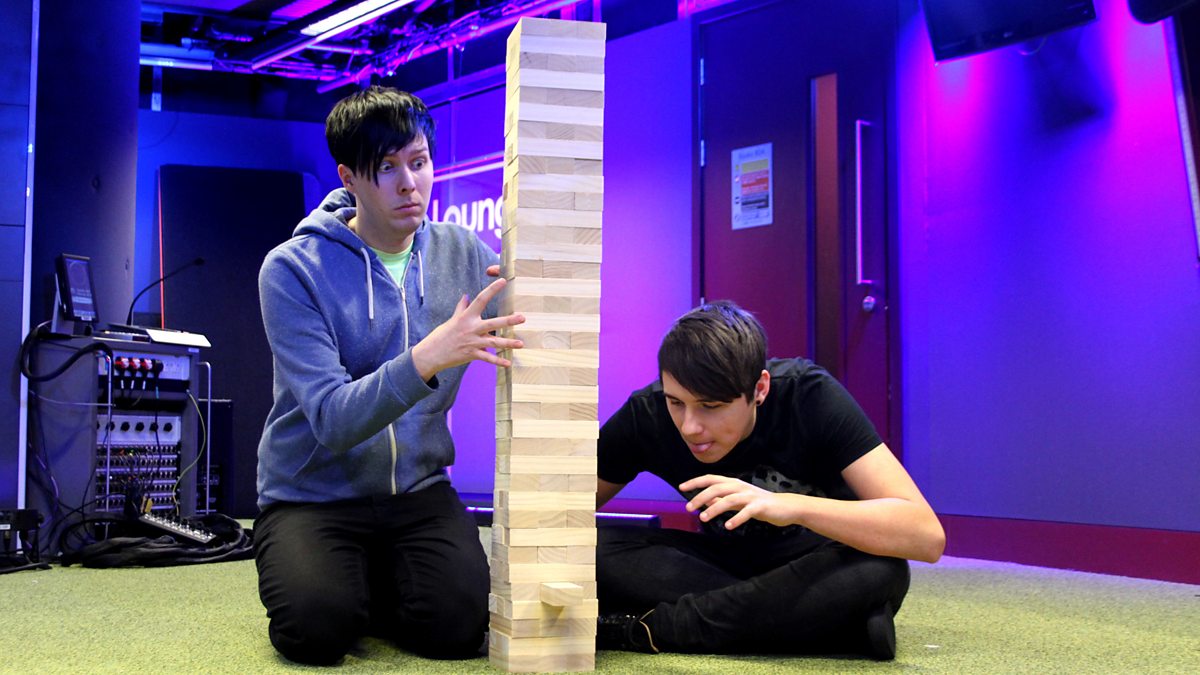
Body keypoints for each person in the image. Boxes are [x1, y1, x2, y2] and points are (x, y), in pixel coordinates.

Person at [253, 86, 524, 665]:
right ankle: (340, 581)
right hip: (312, 496)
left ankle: (374, 580)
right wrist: (428, 356)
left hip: (417, 491)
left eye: (419, 162)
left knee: (458, 628)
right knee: (316, 631)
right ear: (349, 178)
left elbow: (529, 323)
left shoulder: (460, 252)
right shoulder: (292, 269)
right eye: (387, 168)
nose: (409, 184)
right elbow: (332, 419)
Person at [595, 300, 945, 660]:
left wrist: (790, 506)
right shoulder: (647, 413)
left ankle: (656, 629)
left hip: (815, 561)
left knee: (881, 569)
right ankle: (826, 627)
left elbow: (926, 536)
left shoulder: (809, 395)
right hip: (723, 564)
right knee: (593, 550)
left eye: (711, 406)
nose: (689, 426)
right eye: (676, 403)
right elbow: (564, 512)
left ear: (759, 389)